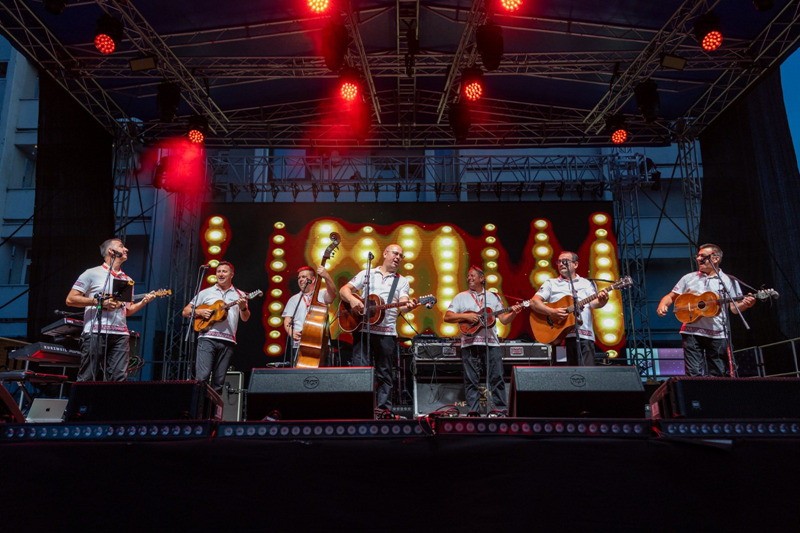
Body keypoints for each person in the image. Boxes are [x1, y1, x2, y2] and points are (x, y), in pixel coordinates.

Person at [339, 244, 419, 419]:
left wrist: (410, 306)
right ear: (385, 253)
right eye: (395, 253)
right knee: (360, 371)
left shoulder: (402, 281)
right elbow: (344, 290)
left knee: (385, 374)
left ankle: (383, 412)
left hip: (386, 333)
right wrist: (352, 300)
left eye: (401, 256)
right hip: (363, 331)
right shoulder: (367, 274)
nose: (398, 257)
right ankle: (360, 409)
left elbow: (403, 305)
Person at [657, 243, 755, 377]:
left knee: (719, 374)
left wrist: (746, 304)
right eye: (697, 256)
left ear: (715, 258)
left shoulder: (729, 280)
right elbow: (671, 296)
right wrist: (663, 304)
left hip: (717, 333)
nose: (698, 259)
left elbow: (734, 308)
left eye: (702, 256)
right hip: (691, 330)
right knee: (693, 374)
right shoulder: (689, 278)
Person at [66, 238, 155, 381]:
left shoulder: (127, 280)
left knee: (119, 378)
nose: (126, 249)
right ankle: (81, 397)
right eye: (121, 246)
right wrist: (99, 302)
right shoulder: (91, 273)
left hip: (121, 334)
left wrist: (143, 302)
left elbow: (127, 311)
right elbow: (70, 299)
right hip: (95, 332)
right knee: (87, 377)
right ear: (111, 251)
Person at [444, 266, 523, 417]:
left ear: (482, 278)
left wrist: (514, 312)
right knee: (471, 380)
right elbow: (447, 317)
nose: (469, 278)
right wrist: (466, 316)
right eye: (468, 276)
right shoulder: (461, 297)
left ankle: (500, 411)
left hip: (491, 343)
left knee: (497, 377)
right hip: (470, 343)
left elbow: (504, 320)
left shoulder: (493, 297)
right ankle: (473, 412)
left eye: (472, 275)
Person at [182, 261, 251, 394]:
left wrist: (243, 308)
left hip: (228, 341)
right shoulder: (205, 292)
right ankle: (198, 406)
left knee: (219, 382)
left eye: (224, 271)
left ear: (231, 274)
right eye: (218, 271)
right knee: (202, 377)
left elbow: (245, 318)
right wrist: (199, 312)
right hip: (207, 338)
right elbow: (185, 311)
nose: (220, 274)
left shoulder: (240, 294)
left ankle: (213, 408)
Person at [529, 251, 608, 366]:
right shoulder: (551, 283)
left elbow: (594, 304)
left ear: (575, 264)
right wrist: (552, 312)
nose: (561, 264)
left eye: (565, 261)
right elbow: (534, 302)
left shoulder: (587, 283)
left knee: (588, 374)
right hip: (561, 337)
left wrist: (603, 301)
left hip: (584, 337)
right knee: (564, 374)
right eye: (559, 261)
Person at [282, 265, 337, 362]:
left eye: (304, 277)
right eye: (299, 277)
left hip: (320, 344)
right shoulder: (294, 299)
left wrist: (326, 276)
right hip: (299, 345)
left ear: (313, 279)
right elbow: (287, 320)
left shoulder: (322, 294)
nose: (300, 279)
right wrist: (291, 332)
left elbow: (333, 294)